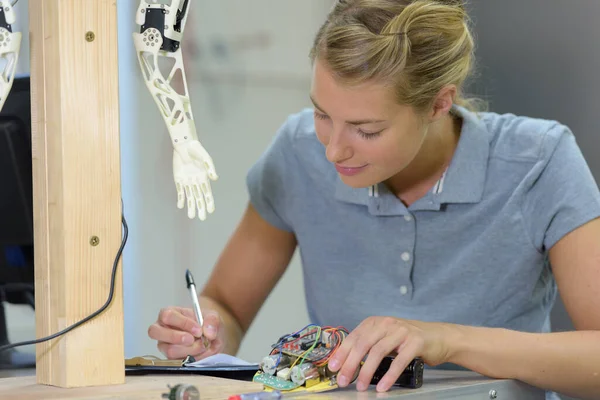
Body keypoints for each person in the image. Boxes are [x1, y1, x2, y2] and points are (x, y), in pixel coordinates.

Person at [147, 1, 600, 399]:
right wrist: (205, 332)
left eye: (367, 130)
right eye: (322, 114)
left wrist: (447, 341)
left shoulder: (539, 160)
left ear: (439, 103)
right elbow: (226, 304)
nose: (333, 150)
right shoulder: (297, 153)